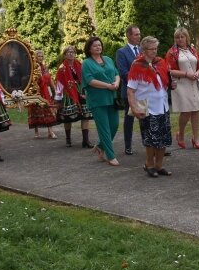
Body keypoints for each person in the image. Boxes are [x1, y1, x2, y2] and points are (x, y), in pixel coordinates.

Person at [129, 36, 173, 177]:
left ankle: (159, 165)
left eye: (156, 48)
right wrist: (134, 108)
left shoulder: (160, 62)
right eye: (151, 49)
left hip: (163, 106)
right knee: (150, 139)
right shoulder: (137, 65)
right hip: (148, 108)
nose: (154, 51)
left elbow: (165, 82)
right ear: (144, 50)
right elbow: (130, 90)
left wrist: (172, 84)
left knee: (163, 137)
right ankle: (149, 164)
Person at [82, 36, 121, 166]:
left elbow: (116, 73)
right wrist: (107, 86)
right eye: (95, 46)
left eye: (99, 45)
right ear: (89, 49)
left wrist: (116, 82)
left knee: (114, 125)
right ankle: (110, 156)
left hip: (112, 97)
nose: (98, 47)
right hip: (97, 100)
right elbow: (90, 81)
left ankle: (100, 145)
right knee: (104, 128)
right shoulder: (86, 63)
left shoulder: (108, 59)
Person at [166, 27, 199, 149]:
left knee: (196, 110)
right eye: (177, 37)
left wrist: (198, 72)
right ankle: (181, 134)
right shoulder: (172, 52)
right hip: (182, 84)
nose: (179, 39)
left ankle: (196, 138)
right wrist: (186, 74)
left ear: (187, 38)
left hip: (194, 82)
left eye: (182, 37)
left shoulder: (193, 50)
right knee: (186, 111)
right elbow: (170, 70)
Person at [54, 46, 93, 148]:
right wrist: (58, 99)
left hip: (81, 91)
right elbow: (59, 84)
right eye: (68, 52)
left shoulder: (79, 65)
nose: (71, 54)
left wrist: (87, 90)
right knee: (68, 117)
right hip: (68, 93)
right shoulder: (62, 68)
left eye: (72, 52)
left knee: (86, 116)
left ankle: (85, 140)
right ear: (65, 55)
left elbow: (85, 78)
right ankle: (68, 139)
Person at [116, 25, 142, 155]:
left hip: (143, 91)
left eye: (139, 34)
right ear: (129, 36)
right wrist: (138, 80)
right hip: (130, 92)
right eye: (136, 34)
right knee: (129, 119)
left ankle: (149, 144)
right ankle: (128, 146)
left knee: (145, 118)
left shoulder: (143, 50)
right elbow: (123, 72)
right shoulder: (122, 52)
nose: (139, 36)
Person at [28, 50, 58, 139]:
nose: (40, 58)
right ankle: (36, 132)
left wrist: (54, 91)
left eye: (41, 56)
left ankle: (50, 132)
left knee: (48, 110)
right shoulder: (32, 68)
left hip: (45, 92)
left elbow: (49, 79)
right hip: (36, 92)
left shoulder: (45, 67)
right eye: (38, 56)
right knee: (35, 110)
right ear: (35, 57)